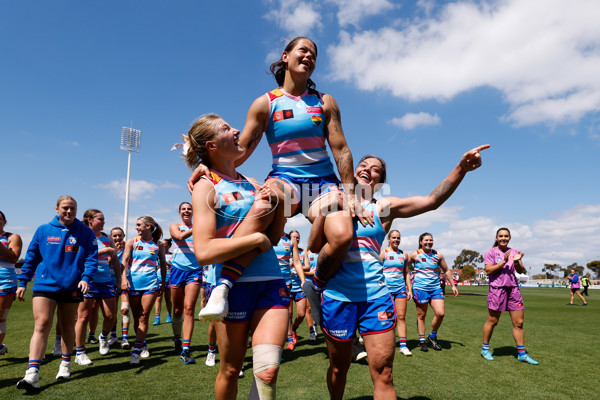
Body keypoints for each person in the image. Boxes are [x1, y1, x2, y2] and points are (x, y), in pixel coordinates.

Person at [191, 37, 373, 323]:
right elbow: (241, 150)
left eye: (314, 54)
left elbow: (341, 149)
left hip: (322, 183)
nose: (309, 56)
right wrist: (209, 169)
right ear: (285, 56)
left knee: (342, 236)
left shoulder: (325, 102)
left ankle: (316, 285)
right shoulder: (265, 103)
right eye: (303, 50)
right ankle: (222, 287)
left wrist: (350, 195)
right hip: (285, 179)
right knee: (265, 200)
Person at [314, 145, 488, 399]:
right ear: (351, 171)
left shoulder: (382, 207)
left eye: (376, 170)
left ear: (380, 183)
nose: (367, 170)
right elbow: (312, 237)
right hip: (338, 297)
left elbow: (431, 201)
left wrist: (461, 168)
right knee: (340, 368)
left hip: (376, 297)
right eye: (363, 165)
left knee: (384, 373)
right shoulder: (332, 198)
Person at [187, 113, 289, 399]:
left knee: (268, 371)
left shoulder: (253, 182)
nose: (236, 131)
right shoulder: (206, 186)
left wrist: (278, 203)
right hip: (231, 288)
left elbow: (275, 237)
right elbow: (204, 251)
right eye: (225, 128)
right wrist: (255, 239)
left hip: (270, 280)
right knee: (231, 370)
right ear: (211, 146)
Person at [16, 195, 98, 391]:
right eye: (65, 208)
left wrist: (86, 278)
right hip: (44, 285)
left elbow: (92, 258)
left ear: (76, 210)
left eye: (72, 208)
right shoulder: (43, 230)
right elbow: (31, 258)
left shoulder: (85, 232)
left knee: (67, 325)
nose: (68, 211)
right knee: (42, 324)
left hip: (71, 286)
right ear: (57, 209)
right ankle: (32, 373)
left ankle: (65, 363)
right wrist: (22, 281)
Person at [481, 228, 539, 364]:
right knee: (493, 321)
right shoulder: (490, 253)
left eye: (506, 236)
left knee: (519, 323)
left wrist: (517, 261)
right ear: (496, 237)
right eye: (501, 236)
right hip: (497, 290)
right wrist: (503, 261)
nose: (503, 238)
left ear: (510, 237)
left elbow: (520, 270)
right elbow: (488, 270)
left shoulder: (514, 252)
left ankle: (522, 354)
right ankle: (485, 349)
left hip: (513, 290)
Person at [73, 209, 120, 365]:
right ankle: (80, 351)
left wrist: (119, 280)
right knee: (83, 316)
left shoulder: (107, 238)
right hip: (88, 281)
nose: (103, 221)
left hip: (106, 281)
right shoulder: (82, 235)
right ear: (89, 220)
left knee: (110, 316)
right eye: (100, 219)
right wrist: (104, 250)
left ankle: (103, 337)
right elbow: (79, 254)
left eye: (103, 218)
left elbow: (115, 261)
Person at [121, 216, 166, 365]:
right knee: (136, 318)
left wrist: (163, 283)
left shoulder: (158, 245)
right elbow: (125, 261)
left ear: (148, 226)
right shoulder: (131, 242)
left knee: (143, 317)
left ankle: (135, 352)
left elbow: (163, 265)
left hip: (151, 285)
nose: (136, 227)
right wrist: (123, 278)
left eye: (139, 225)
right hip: (133, 285)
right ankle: (142, 343)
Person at [407, 233, 458, 352]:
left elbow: (446, 270)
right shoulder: (415, 254)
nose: (429, 242)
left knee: (440, 313)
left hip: (435, 288)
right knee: (421, 315)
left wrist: (453, 285)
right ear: (421, 241)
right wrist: (408, 278)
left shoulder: (437, 254)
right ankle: (422, 341)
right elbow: (405, 267)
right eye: (426, 240)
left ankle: (432, 336)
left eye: (431, 240)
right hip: (420, 288)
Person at [169, 202, 204, 364]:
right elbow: (180, 237)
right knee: (177, 310)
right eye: (183, 209)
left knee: (189, 308)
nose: (186, 211)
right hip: (177, 269)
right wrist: (197, 227)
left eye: (189, 208)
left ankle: (186, 349)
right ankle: (177, 338)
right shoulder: (174, 226)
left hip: (195, 270)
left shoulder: (201, 227)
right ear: (179, 213)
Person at [379, 230, 412, 356]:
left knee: (401, 317)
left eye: (398, 238)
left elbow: (407, 273)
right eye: (394, 238)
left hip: (400, 290)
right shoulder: (383, 253)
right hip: (385, 290)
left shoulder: (404, 254)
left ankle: (403, 346)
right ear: (389, 239)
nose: (396, 240)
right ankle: (384, 343)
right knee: (386, 317)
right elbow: (377, 272)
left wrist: (409, 289)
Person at [0, 211, 23, 356]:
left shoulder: (12, 237)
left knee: (0, 318)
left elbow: (13, 258)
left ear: (4, 221)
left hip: (5, 281)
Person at [111, 227, 131, 349]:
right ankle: (113, 336)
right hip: (110, 283)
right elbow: (105, 263)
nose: (118, 238)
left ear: (123, 236)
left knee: (125, 310)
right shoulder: (108, 248)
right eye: (115, 236)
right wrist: (113, 253)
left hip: (124, 282)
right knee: (111, 313)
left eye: (120, 235)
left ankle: (124, 338)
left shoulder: (128, 249)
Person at [287, 230, 307, 350]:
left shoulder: (301, 251)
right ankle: (290, 340)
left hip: (299, 286)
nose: (296, 239)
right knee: (289, 314)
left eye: (298, 237)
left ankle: (294, 328)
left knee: (301, 314)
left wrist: (295, 265)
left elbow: (307, 266)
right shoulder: (285, 250)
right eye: (294, 237)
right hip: (288, 285)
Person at [153, 238, 173, 326]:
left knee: (168, 298)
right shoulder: (157, 255)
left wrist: (164, 262)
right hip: (159, 277)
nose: (162, 246)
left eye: (164, 245)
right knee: (158, 298)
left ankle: (169, 316)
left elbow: (174, 265)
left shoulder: (172, 255)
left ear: (168, 246)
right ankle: (157, 318)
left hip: (169, 278)